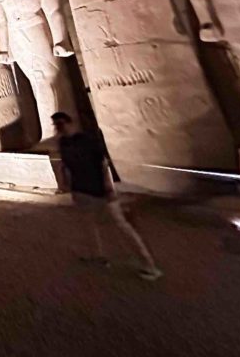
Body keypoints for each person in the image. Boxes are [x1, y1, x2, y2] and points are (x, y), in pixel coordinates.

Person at [51, 112, 162, 281]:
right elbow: (66, 166)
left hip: (100, 189)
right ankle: (98, 256)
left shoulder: (86, 140)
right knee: (88, 226)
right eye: (56, 125)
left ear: (69, 123)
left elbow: (102, 163)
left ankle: (149, 265)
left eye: (60, 124)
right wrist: (67, 184)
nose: (58, 128)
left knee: (121, 226)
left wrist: (109, 186)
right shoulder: (63, 143)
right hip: (80, 190)